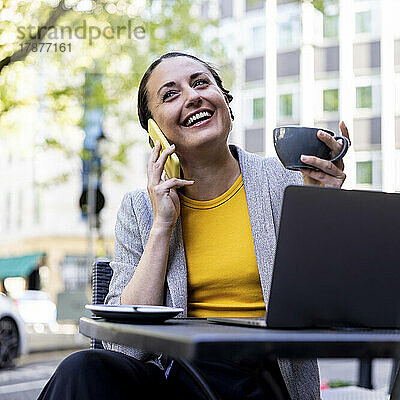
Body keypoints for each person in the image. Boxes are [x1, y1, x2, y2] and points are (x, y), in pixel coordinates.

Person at [39, 52, 350, 400]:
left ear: (227, 105)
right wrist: (162, 226)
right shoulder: (141, 209)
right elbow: (121, 345)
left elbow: (332, 307)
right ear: (155, 133)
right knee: (81, 369)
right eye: (170, 94)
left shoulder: (287, 183)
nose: (192, 96)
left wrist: (324, 209)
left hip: (262, 379)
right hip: (177, 379)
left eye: (201, 83)